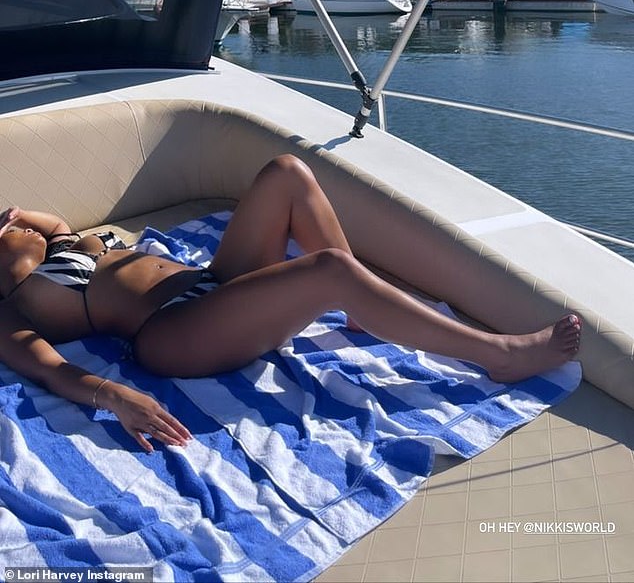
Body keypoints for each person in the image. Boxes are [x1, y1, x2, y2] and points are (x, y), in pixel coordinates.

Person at [0, 155, 581, 453]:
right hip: (170, 332)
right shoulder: (9, 299)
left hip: (211, 284)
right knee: (331, 268)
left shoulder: (48, 237)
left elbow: (59, 224)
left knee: (286, 172)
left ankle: (358, 305)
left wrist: (29, 218)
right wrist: (113, 394)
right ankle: (497, 354)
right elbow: (40, 364)